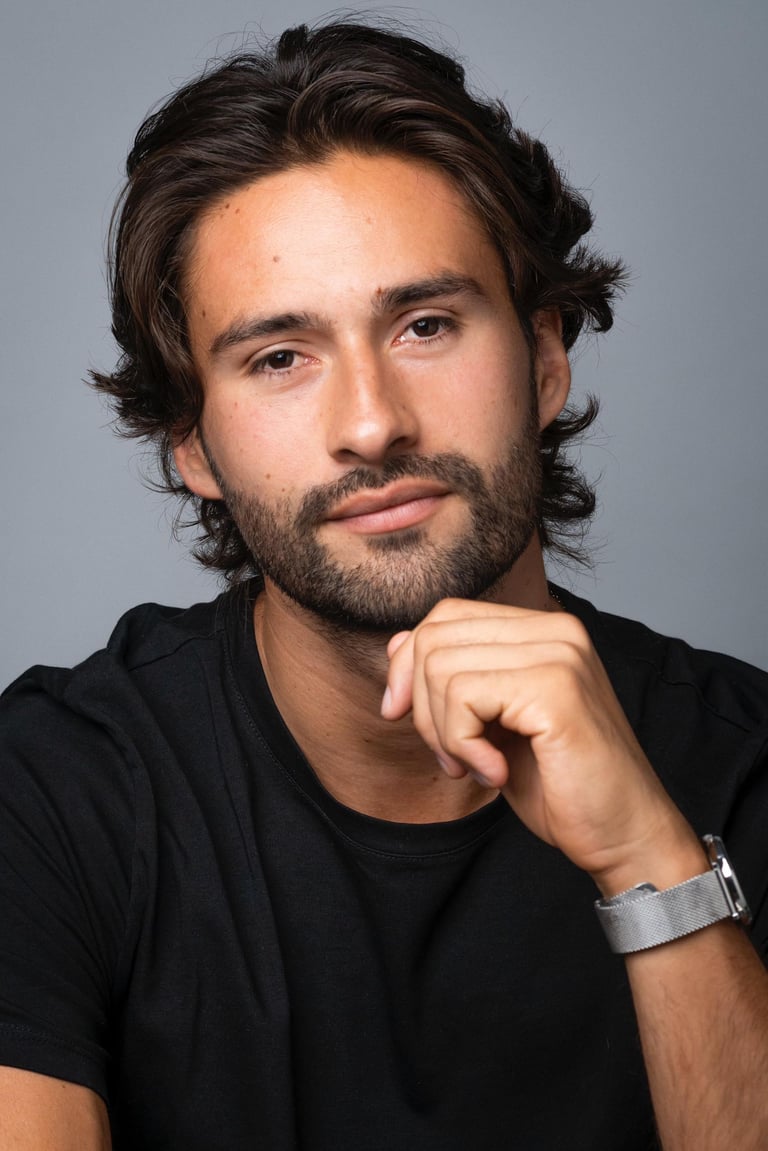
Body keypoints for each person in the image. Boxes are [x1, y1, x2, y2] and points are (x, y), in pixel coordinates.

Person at [1, 18, 767, 1151]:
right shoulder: (50, 791)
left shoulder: (744, 761)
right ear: (194, 443)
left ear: (544, 359)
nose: (371, 424)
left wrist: (656, 865)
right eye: (279, 357)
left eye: (424, 325)